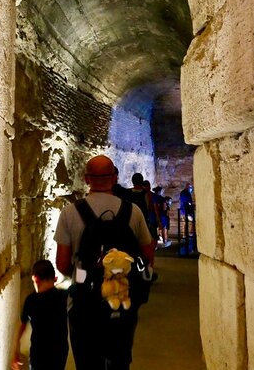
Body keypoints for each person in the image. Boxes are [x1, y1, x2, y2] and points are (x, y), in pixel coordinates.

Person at [54, 155, 155, 370]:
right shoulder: (132, 212)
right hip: (121, 298)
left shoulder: (70, 213)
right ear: (115, 177)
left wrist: (83, 273)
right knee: (119, 361)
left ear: (86, 179)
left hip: (84, 302)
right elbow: (147, 255)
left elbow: (62, 264)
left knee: (87, 361)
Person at [12, 260, 69, 370]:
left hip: (39, 354)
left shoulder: (31, 301)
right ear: (55, 279)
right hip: (59, 353)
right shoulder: (62, 297)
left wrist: (16, 353)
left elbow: (22, 327)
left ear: (35, 279)